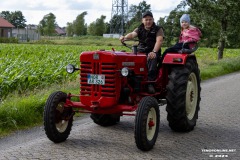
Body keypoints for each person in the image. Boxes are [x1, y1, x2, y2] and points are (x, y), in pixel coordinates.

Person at [119, 11, 164, 94]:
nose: (148, 21)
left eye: (150, 19)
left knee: (152, 58)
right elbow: (132, 35)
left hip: (153, 51)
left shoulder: (158, 29)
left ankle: (150, 83)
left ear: (153, 20)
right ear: (142, 21)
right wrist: (124, 37)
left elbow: (159, 41)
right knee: (129, 59)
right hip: (141, 51)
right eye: (146, 19)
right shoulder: (139, 28)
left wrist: (154, 51)